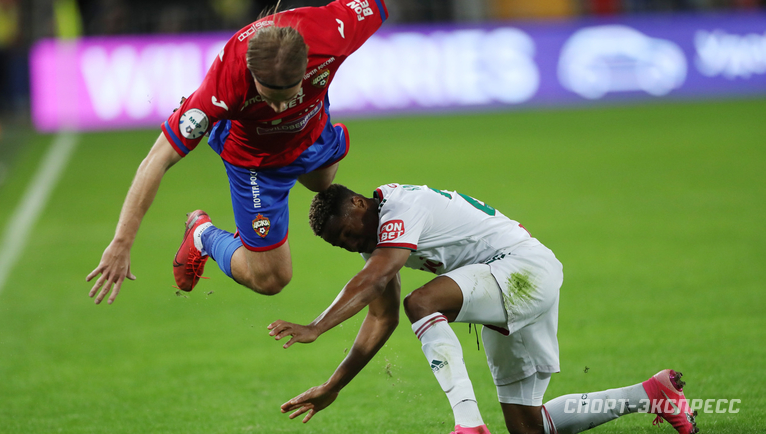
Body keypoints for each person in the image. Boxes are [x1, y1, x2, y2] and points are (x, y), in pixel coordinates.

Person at [267, 183, 699, 434]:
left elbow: (377, 281)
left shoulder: (401, 208)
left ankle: (468, 424)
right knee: (529, 427)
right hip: (505, 284)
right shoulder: (377, 243)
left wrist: (317, 326)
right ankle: (652, 394)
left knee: (423, 302)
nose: (351, 244)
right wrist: (335, 385)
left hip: (523, 269)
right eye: (341, 244)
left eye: (348, 233)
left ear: (359, 204)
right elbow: (382, 316)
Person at [86, 0, 389, 304]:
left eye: (288, 96)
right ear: (252, 74)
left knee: (322, 183)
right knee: (271, 279)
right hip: (254, 161)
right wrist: (121, 242)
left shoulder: (332, 31)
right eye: (269, 99)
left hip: (310, 131)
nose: (279, 108)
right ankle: (202, 234)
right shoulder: (223, 84)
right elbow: (157, 159)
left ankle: (304, 151)